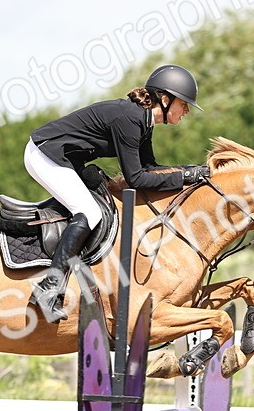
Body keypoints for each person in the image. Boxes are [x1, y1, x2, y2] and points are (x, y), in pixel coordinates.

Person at [24, 64, 210, 323]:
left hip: (67, 158)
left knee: (96, 206)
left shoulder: (143, 121)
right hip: (45, 154)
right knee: (89, 213)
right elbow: (136, 179)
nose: (187, 110)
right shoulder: (130, 120)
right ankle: (49, 288)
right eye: (184, 104)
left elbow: (150, 168)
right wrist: (184, 177)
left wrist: (189, 172)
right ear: (165, 99)